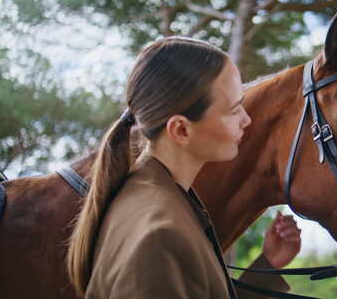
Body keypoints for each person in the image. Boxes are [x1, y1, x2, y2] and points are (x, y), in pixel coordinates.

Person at [66, 36, 302, 298]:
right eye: (234, 110)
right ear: (180, 129)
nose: (246, 120)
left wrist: (268, 264)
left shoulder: (160, 196)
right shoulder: (159, 236)